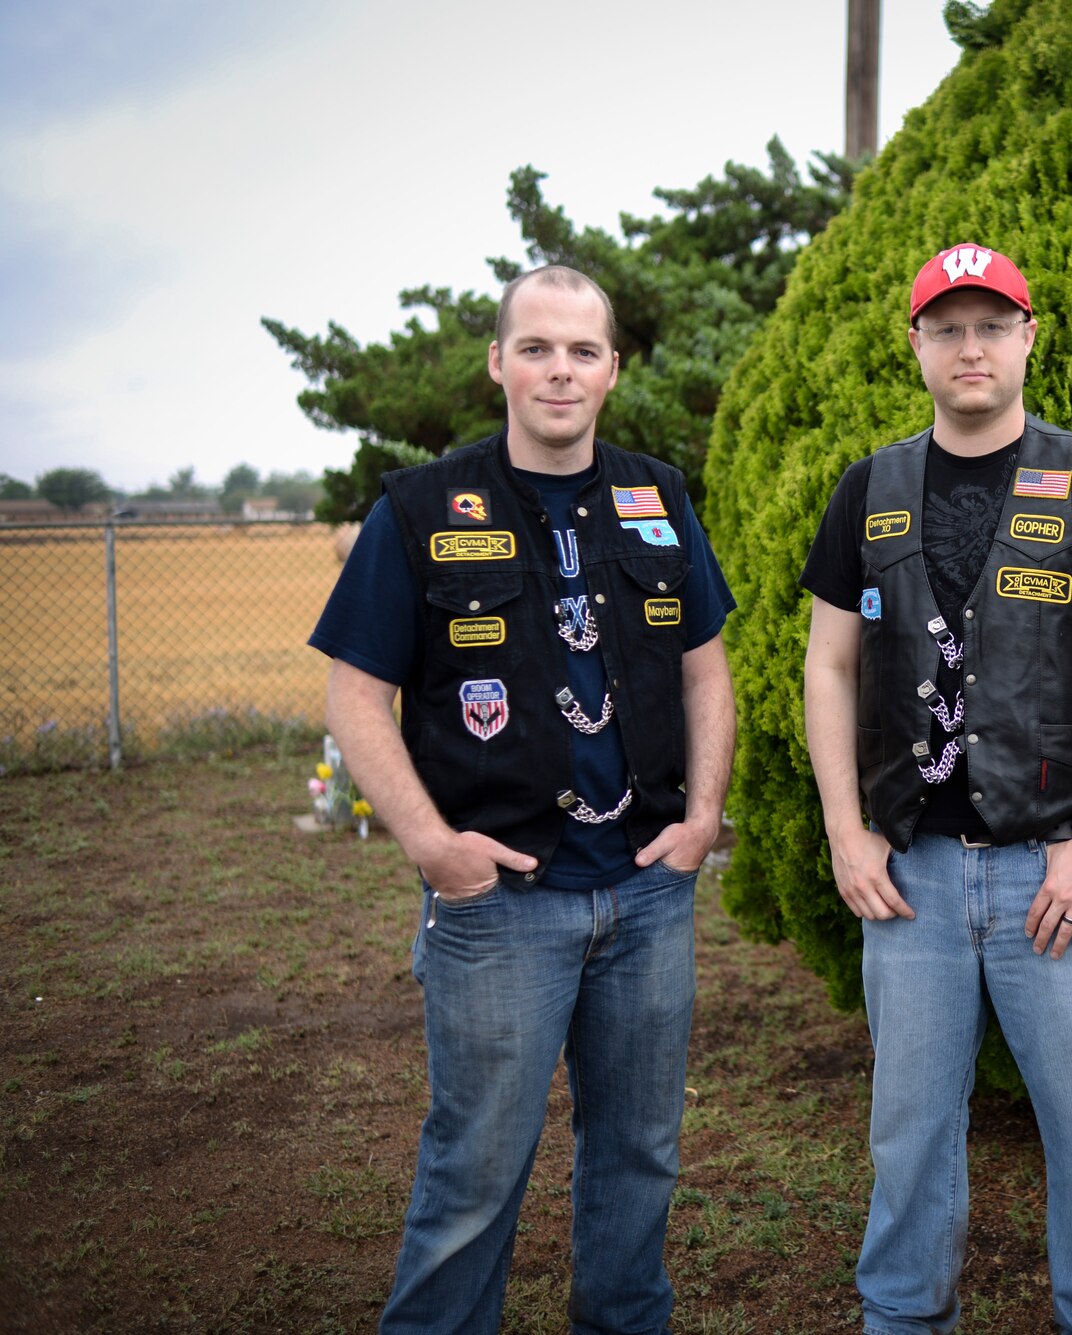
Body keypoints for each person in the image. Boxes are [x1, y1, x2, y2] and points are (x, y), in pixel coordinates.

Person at [310, 264, 737, 1333]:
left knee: (639, 1158)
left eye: (582, 351)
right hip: (497, 903)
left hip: (645, 894)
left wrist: (701, 820)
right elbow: (355, 694)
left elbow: (705, 669)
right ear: (497, 362)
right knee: (475, 1175)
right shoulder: (417, 508)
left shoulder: (658, 495)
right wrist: (428, 844)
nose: (559, 370)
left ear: (612, 372)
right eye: (536, 348)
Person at [799, 243, 1072, 1334]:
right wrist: (844, 830)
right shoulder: (866, 490)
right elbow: (827, 666)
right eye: (945, 328)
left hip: (1051, 875)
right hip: (910, 879)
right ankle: (903, 1320)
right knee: (907, 1136)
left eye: (989, 324)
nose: (968, 347)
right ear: (916, 346)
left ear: (1028, 337)